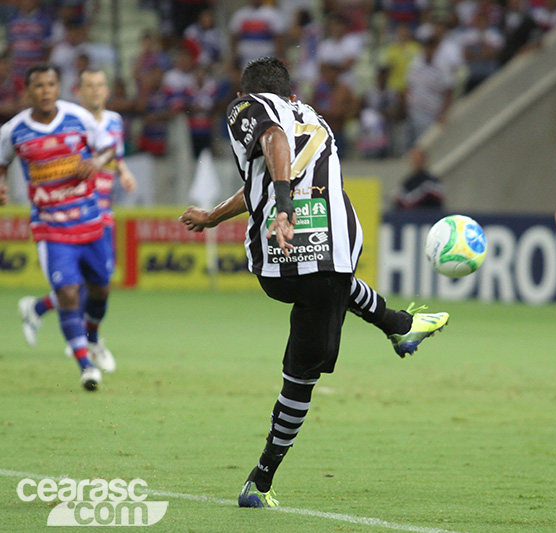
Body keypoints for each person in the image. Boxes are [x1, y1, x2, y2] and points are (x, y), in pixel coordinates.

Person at [179, 57, 450, 508]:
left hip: (280, 257)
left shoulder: (244, 109)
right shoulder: (313, 118)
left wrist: (280, 208)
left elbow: (271, 145)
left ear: (246, 94)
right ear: (291, 94)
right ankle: (259, 482)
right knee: (302, 370)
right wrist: (218, 215)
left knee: (313, 328)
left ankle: (400, 325)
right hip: (332, 250)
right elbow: (274, 151)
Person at [0, 64, 116, 391]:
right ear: (28, 91)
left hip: (90, 220)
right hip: (50, 226)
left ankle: (89, 337)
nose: (46, 91)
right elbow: (2, 161)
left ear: (58, 87)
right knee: (67, 292)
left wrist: (96, 161)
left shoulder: (78, 117)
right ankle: (85, 367)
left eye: (51, 84)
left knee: (101, 289)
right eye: (39, 86)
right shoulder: (14, 130)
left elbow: (108, 146)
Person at [17, 68, 137, 375]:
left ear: (107, 90)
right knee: (73, 285)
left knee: (99, 284)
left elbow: (115, 154)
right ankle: (86, 343)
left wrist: (122, 172)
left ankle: (41, 310)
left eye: (100, 85)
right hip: (65, 214)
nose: (95, 91)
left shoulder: (114, 121)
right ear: (78, 91)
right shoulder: (71, 121)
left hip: (101, 211)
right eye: (89, 86)